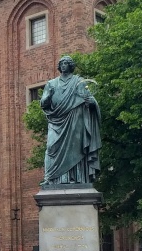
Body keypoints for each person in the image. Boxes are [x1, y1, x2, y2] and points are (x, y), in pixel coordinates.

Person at [40, 55, 101, 185]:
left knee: (76, 148)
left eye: (66, 63)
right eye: (62, 63)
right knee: (51, 147)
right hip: (57, 120)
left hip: (75, 118)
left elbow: (89, 99)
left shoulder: (79, 82)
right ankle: (50, 178)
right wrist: (46, 98)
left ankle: (77, 178)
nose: (63, 65)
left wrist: (92, 103)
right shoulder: (51, 84)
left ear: (71, 66)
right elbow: (44, 103)